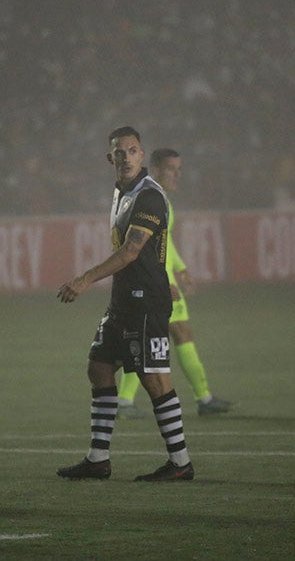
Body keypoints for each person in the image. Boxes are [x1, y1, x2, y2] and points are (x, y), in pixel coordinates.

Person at [56, 126, 194, 482]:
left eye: (133, 151)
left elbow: (132, 250)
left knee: (154, 379)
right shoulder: (122, 192)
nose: (126, 158)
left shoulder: (149, 196)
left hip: (147, 302)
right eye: (120, 152)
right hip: (123, 303)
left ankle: (180, 463)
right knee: (99, 367)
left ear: (141, 155)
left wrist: (85, 278)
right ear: (110, 158)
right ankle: (98, 459)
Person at [116, 148, 233, 418]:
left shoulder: (159, 199)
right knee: (155, 338)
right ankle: (199, 398)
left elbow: (162, 242)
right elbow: (141, 248)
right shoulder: (151, 198)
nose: (178, 174)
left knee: (165, 336)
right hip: (155, 283)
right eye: (172, 169)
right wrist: (164, 281)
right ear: (156, 169)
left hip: (158, 281)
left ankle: (202, 398)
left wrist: (180, 268)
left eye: (180, 168)